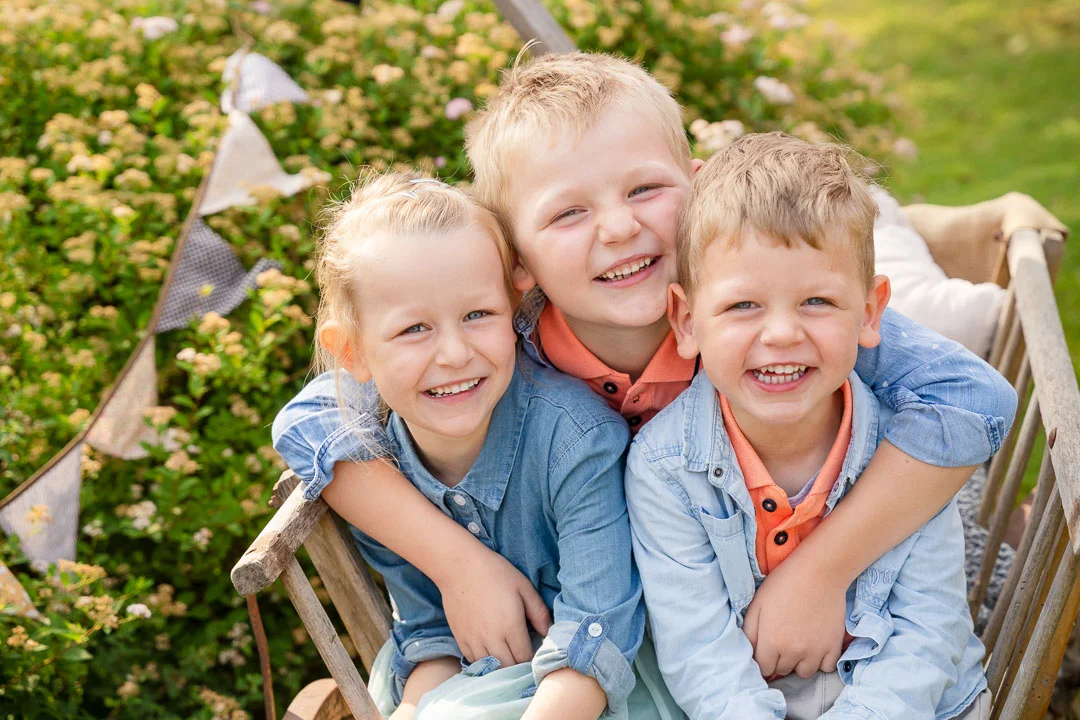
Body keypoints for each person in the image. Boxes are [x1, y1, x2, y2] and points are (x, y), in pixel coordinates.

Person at [272, 52, 1032, 680]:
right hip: (661, 628)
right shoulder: (499, 340)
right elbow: (315, 420)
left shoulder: (761, 314)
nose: (619, 226)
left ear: (696, 186)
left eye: (645, 189)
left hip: (844, 561)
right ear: (517, 261)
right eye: (568, 213)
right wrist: (456, 562)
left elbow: (973, 397)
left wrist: (823, 572)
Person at [626, 132, 990, 719]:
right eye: (743, 306)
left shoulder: (907, 451)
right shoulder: (665, 467)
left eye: (817, 301)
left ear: (869, 312)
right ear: (687, 321)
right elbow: (699, 651)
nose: (781, 334)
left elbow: (929, 630)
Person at [307, 171, 680, 719]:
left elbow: (598, 633)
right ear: (352, 352)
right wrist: (411, 709)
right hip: (478, 687)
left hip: (594, 688)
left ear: (515, 309)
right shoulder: (379, 462)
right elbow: (431, 630)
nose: (455, 353)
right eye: (414, 329)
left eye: (478, 315)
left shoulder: (576, 442)